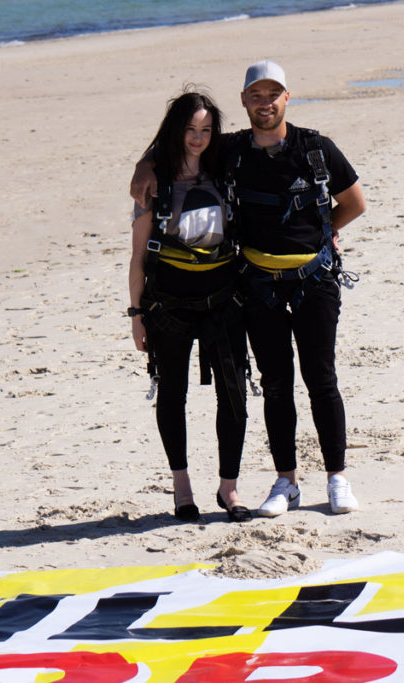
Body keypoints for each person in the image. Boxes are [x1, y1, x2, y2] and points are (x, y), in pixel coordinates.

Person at [131, 61, 366, 516]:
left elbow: (354, 203)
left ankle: (337, 478)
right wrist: (145, 163)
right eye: (256, 95)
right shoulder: (232, 151)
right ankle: (287, 482)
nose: (265, 102)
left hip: (314, 283)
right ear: (244, 102)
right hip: (257, 287)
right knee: (276, 385)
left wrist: (322, 234)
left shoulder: (316, 148)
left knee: (322, 380)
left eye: (272, 94)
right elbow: (182, 138)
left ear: (287, 97)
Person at [128, 89, 251, 524]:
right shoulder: (153, 180)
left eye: (205, 129)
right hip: (168, 305)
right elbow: (139, 253)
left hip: (223, 300)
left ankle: (229, 488)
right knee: (172, 394)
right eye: (190, 129)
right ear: (176, 131)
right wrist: (136, 314)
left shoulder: (226, 165)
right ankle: (182, 488)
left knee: (234, 393)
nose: (198, 138)